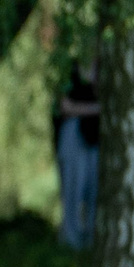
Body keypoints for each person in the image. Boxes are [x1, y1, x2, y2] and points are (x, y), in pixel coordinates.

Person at [54, 60, 102, 250]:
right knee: (73, 187)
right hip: (74, 134)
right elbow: (64, 106)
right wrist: (97, 109)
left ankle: (91, 241)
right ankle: (71, 241)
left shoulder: (105, 68)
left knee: (94, 189)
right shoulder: (69, 69)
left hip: (95, 137)